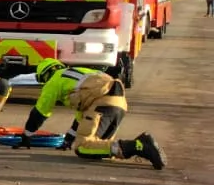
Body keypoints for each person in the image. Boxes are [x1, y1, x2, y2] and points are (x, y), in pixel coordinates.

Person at [21, 58, 164, 169]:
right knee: (99, 149)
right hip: (119, 104)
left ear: (45, 74)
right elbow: (81, 118)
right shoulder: (78, 73)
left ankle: (137, 146)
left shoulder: (54, 80)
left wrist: (27, 136)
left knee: (83, 148)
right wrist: (68, 140)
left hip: (101, 105)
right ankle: (144, 141)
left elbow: (40, 112)